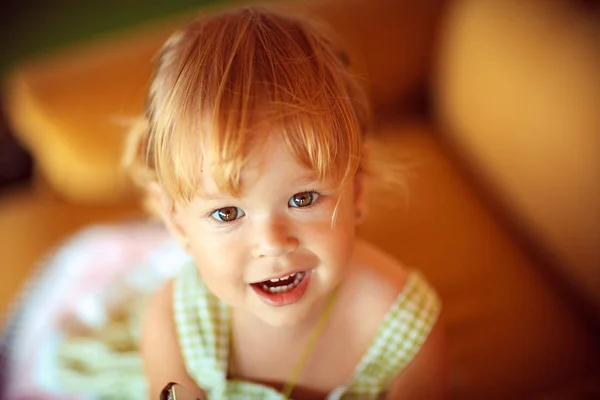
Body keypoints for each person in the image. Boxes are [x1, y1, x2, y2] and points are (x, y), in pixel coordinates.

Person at [124, 6, 446, 400]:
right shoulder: (173, 322)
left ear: (356, 190)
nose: (273, 242)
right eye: (227, 213)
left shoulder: (400, 329)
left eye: (302, 198)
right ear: (177, 223)